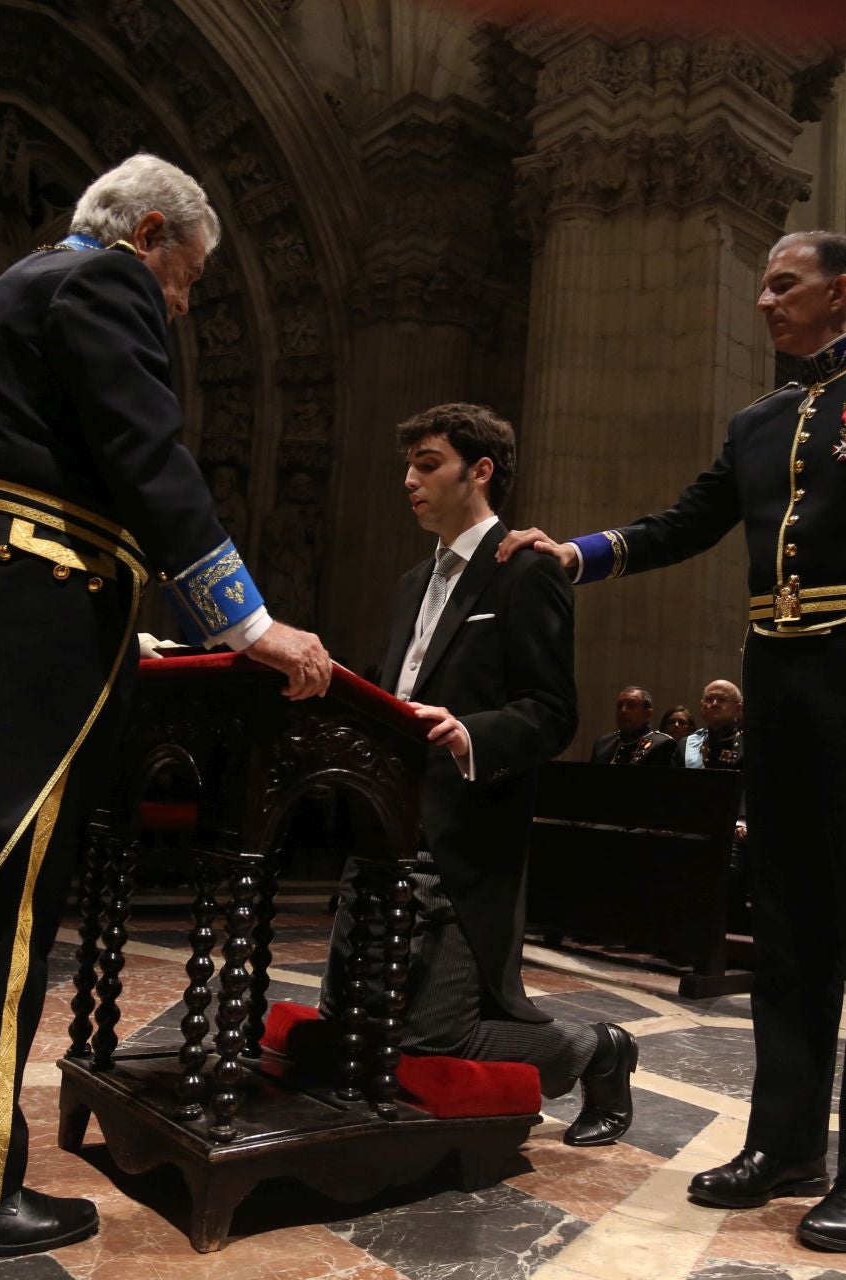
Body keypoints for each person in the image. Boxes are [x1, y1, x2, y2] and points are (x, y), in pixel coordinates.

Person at [0, 154, 330, 1263]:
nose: (183, 304)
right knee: (0, 911)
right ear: (149, 232)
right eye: (186, 278)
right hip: (27, 612)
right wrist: (247, 623)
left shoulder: (29, 283)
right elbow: (147, 456)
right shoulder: (100, 280)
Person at [499, 230, 846, 1251]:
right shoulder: (761, 418)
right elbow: (689, 520)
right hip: (777, 667)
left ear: (841, 289)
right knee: (786, 922)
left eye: (785, 284)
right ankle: (784, 1144)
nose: (766, 302)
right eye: (763, 286)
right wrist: (579, 553)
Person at [321, 402, 636, 1146]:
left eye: (426, 464)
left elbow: (553, 712)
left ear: (481, 470)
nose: (409, 481)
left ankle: (599, 1049)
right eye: (408, 466)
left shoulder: (525, 572)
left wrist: (470, 734)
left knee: (436, 1043)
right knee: (348, 1023)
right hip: (383, 830)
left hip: (461, 844)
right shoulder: (408, 584)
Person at [588, 685, 678, 765]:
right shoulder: (603, 744)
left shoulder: (662, 745)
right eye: (619, 706)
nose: (623, 711)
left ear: (648, 714)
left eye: (631, 706)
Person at [680, 679, 745, 770]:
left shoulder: (750, 745)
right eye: (709, 699)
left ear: (738, 709)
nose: (714, 704)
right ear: (702, 706)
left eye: (722, 699)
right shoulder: (686, 745)